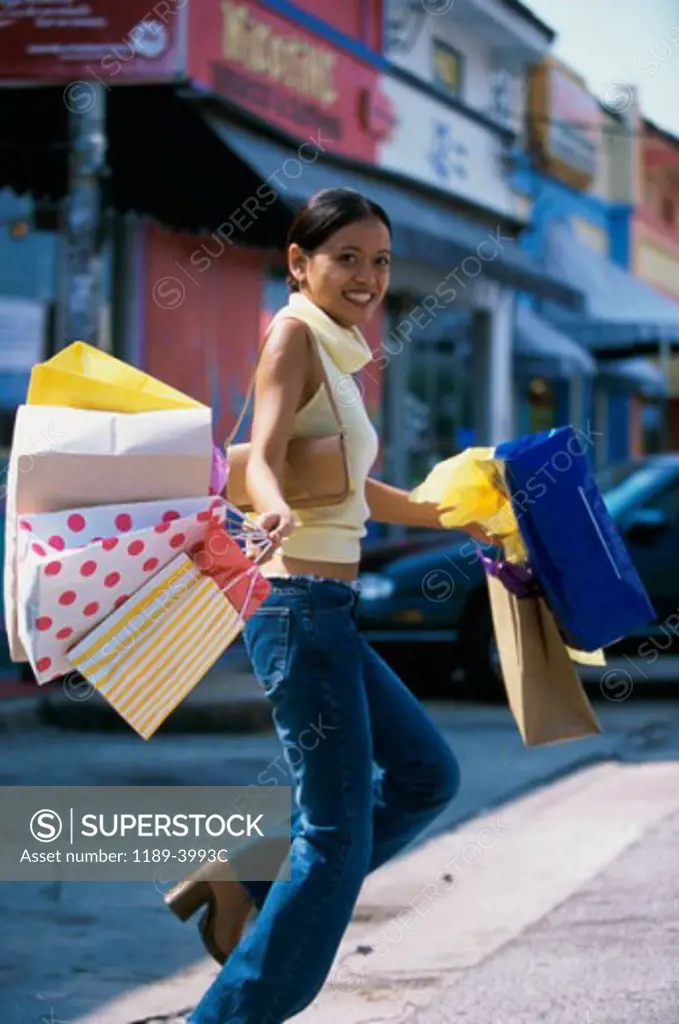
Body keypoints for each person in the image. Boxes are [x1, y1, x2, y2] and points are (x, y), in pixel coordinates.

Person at [168, 188, 493, 1023]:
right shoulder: (292, 336)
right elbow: (265, 458)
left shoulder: (340, 348)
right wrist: (267, 508)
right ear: (298, 264)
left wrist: (454, 511)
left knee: (425, 776)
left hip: (329, 610)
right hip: (297, 608)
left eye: (379, 261)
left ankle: (242, 877)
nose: (367, 276)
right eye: (346, 257)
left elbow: (344, 484)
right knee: (334, 834)